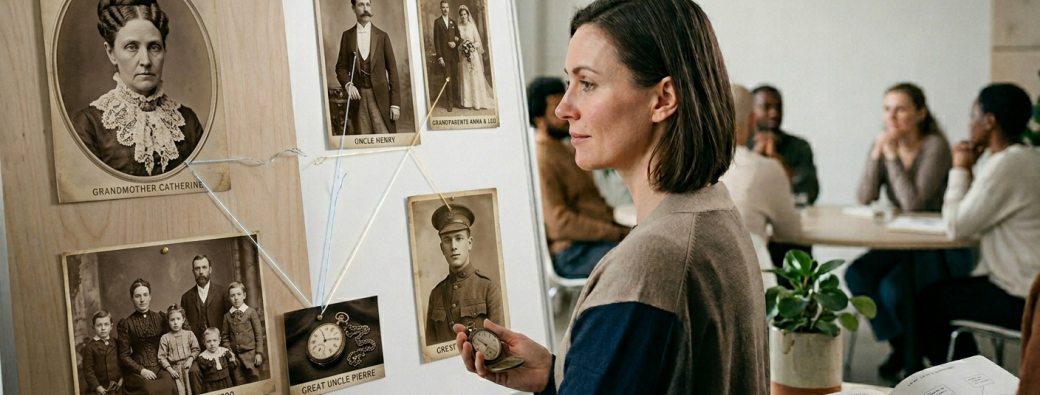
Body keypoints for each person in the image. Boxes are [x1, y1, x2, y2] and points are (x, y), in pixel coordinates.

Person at [454, 1, 768, 393]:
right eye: (569, 82)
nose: (564, 108)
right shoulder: (714, 210)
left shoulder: (648, 263)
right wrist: (558, 375)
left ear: (662, 99)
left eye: (587, 83)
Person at [844, 83, 970, 380]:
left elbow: (914, 204)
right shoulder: (886, 143)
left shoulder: (934, 147)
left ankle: (909, 353)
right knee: (857, 274)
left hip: (934, 245)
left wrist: (891, 159)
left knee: (893, 291)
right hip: (900, 239)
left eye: (900, 109)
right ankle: (902, 346)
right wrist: (875, 157)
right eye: (887, 109)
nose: (891, 117)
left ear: (920, 114)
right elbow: (864, 196)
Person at [917, 83, 1040, 366]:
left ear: (989, 121)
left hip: (1020, 296)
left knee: (927, 303)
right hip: (1031, 287)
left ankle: (970, 381)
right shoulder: (1029, 157)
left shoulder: (1005, 166)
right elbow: (977, 212)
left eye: (974, 116)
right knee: (936, 294)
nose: (970, 124)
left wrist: (960, 167)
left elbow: (957, 226)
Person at [73, 0, 204, 177]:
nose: (146, 61)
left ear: (164, 50)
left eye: (154, 47)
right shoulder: (89, 125)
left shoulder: (187, 121)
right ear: (111, 53)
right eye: (131, 47)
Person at [528, 77, 629, 279]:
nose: (566, 114)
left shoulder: (566, 150)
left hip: (598, 242)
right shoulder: (542, 159)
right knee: (643, 258)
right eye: (555, 110)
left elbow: (592, 204)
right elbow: (559, 224)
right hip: (573, 252)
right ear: (539, 119)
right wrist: (617, 233)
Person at [719, 84, 801, 289]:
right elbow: (791, 232)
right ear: (753, 119)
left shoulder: (686, 165)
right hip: (746, 286)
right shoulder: (765, 168)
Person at [425, 203, 504, 345]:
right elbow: (431, 347)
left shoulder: (488, 287)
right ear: (442, 248)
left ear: (470, 243)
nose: (453, 246)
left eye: (459, 238)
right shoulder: (436, 295)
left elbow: (500, 342)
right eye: (447, 240)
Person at [335, 0, 401, 135]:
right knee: (363, 138)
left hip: (381, 98)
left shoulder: (382, 36)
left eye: (368, 4)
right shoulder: (347, 36)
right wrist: (348, 85)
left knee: (384, 137)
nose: (365, 9)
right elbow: (341, 67)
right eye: (360, 5)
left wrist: (395, 104)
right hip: (358, 99)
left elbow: (393, 71)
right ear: (353, 8)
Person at [179, 255, 230, 395]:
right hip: (197, 351)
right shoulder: (186, 297)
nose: (201, 272)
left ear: (210, 269)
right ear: (193, 271)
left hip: (219, 346)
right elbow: (184, 328)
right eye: (197, 268)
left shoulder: (223, 292)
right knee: (193, 372)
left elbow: (229, 323)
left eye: (204, 267)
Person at [117, 278, 177, 395]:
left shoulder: (161, 318)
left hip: (161, 367)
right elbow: (124, 356)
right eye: (137, 296)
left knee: (170, 384)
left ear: (150, 296)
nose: (142, 299)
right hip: (138, 371)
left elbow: (173, 338)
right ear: (132, 299)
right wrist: (141, 370)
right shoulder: (126, 324)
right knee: (149, 389)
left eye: (145, 295)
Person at [222, 282, 265, 385]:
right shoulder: (227, 316)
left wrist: (258, 353)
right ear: (229, 298)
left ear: (244, 295)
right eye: (232, 295)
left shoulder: (251, 312)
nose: (236, 298)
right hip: (235, 358)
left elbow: (258, 334)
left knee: (254, 381)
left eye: (239, 294)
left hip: (251, 356)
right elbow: (225, 337)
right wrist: (230, 354)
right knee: (239, 382)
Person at [456, 6, 494, 110]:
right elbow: (458, 43)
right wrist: (463, 46)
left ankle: (477, 102)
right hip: (464, 57)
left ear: (468, 15)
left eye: (465, 14)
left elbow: (478, 42)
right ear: (460, 16)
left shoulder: (472, 26)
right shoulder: (458, 27)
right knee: (466, 77)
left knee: (474, 76)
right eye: (461, 15)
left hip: (473, 55)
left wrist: (471, 46)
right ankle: (467, 103)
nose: (463, 16)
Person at [158, 305, 199, 395]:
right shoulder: (165, 338)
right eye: (172, 320)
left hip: (188, 366)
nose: (175, 322)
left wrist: (190, 360)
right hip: (174, 369)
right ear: (168, 321)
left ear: (183, 320)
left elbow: (196, 349)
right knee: (179, 390)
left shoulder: (189, 334)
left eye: (178, 319)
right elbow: (161, 357)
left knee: (192, 388)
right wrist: (170, 370)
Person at [82, 311, 123, 395]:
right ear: (93, 327)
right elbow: (88, 370)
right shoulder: (90, 347)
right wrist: (97, 386)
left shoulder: (117, 343)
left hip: (118, 387)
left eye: (106, 324)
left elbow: (123, 363)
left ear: (111, 326)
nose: (103, 328)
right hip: (102, 389)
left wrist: (122, 378)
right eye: (99, 325)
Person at [432, 0, 460, 111]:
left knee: (455, 78)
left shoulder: (453, 22)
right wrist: (440, 57)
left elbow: (459, 37)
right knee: (448, 79)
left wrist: (455, 43)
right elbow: (436, 41)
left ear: (449, 8)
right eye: (443, 7)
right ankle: (450, 103)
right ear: (440, 8)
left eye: (447, 7)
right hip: (445, 56)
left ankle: (456, 102)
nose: (445, 9)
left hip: (454, 56)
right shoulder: (437, 22)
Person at [197, 327, 237, 393]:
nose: (212, 344)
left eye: (214, 340)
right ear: (204, 342)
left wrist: (232, 361)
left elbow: (232, 367)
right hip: (211, 385)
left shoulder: (224, 352)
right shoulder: (203, 357)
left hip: (226, 381)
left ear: (219, 340)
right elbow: (203, 373)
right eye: (208, 341)